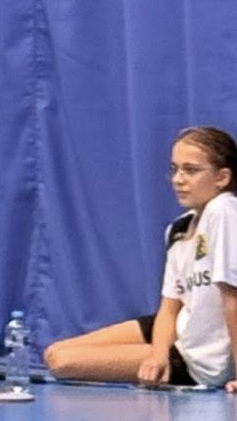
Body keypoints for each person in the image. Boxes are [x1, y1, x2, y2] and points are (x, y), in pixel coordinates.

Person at [45, 126, 237, 391]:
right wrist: (158, 353)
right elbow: (170, 307)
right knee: (53, 351)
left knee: (62, 362)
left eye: (191, 170)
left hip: (200, 361)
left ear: (222, 177)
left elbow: (232, 300)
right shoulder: (179, 229)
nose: (178, 179)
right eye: (174, 169)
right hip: (180, 329)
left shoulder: (224, 210)